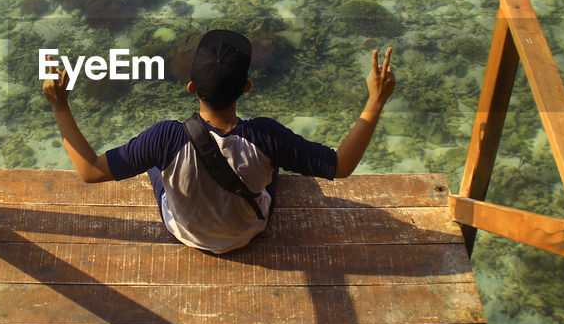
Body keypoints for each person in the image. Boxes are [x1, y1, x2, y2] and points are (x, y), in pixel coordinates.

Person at [42, 29, 395, 254]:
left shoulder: (165, 137)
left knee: (153, 161)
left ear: (191, 87)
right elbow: (341, 166)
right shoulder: (266, 136)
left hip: (185, 232)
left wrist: (60, 106)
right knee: (272, 170)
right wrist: (375, 101)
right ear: (247, 88)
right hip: (246, 232)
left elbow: (89, 171)